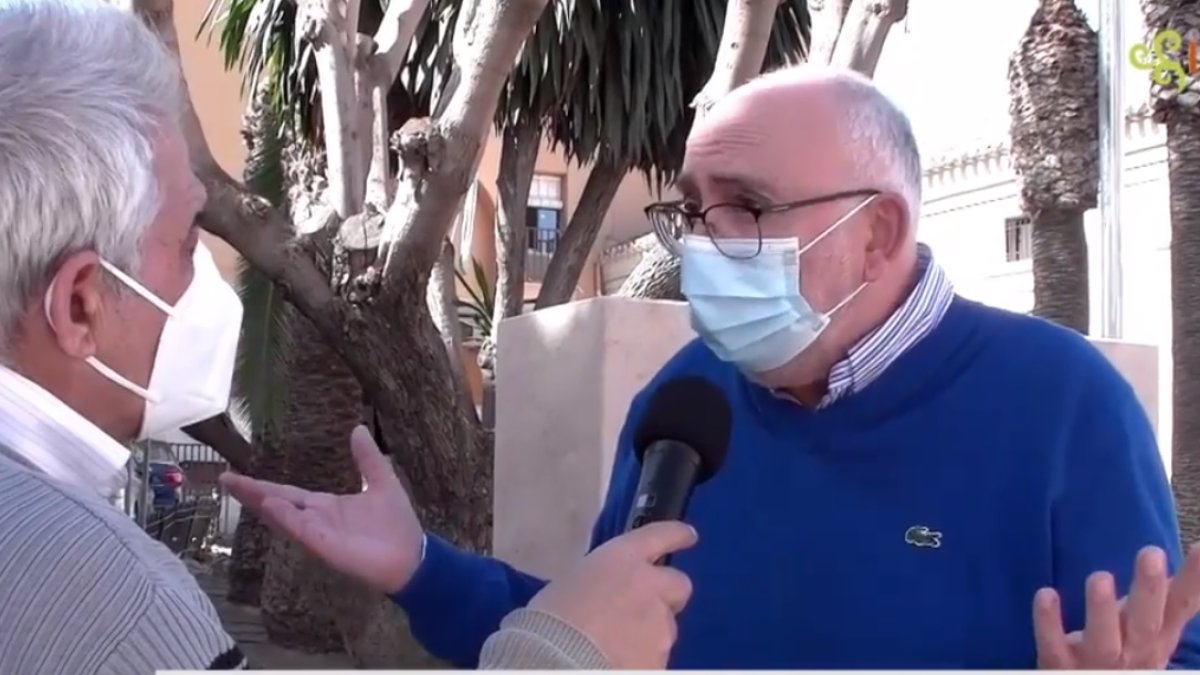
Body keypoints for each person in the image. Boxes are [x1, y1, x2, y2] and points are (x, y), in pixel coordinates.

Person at [227, 64, 1200, 669]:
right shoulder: (687, 405)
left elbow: (1162, 647)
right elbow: (594, 632)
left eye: (748, 204)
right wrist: (423, 570)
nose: (705, 240)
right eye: (694, 207)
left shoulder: (1067, 409)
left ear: (879, 235)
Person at [0, 1, 694, 672]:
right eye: (189, 239)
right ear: (81, 304)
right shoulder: (125, 607)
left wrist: (424, 569)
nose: (703, 235)